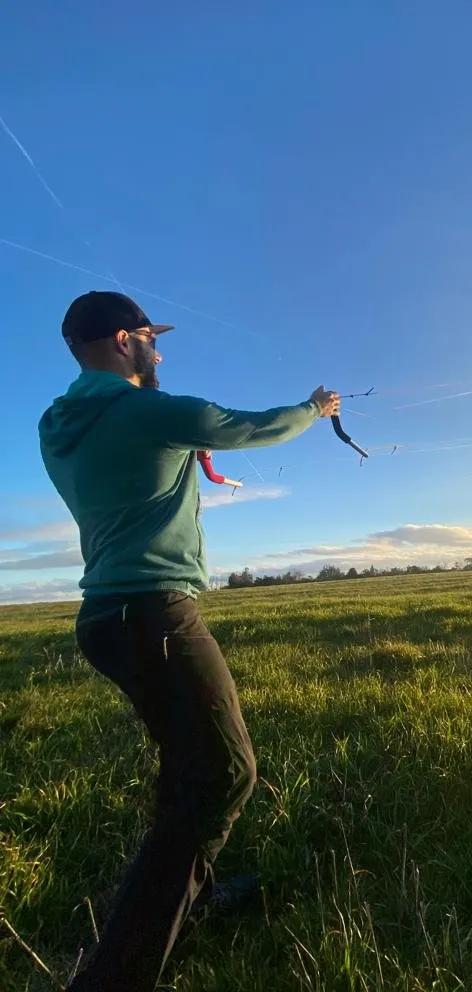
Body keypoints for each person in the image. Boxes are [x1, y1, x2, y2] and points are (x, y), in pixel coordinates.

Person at [38, 290, 341, 992]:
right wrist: (314, 407)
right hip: (157, 616)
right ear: (123, 340)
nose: (159, 349)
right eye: (150, 337)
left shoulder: (57, 426)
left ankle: (190, 901)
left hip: (104, 622)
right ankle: (115, 976)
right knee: (226, 775)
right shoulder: (152, 412)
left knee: (187, 765)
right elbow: (253, 427)